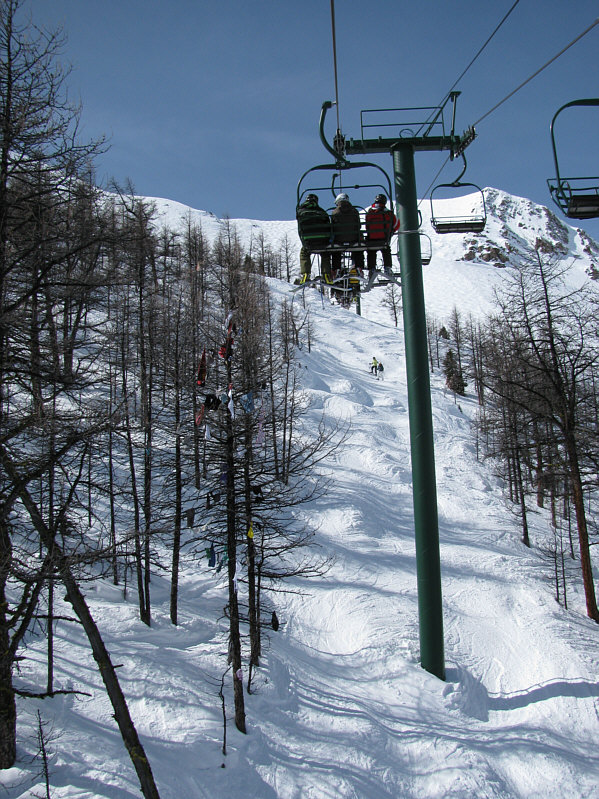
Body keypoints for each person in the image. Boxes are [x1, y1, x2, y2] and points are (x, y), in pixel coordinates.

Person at [296, 193, 332, 283]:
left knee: (304, 252)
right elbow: (328, 225)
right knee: (325, 253)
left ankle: (305, 273)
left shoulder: (301, 211)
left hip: (308, 241)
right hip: (322, 241)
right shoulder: (322, 212)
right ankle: (326, 274)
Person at [365, 193, 399, 278]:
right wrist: (391, 231)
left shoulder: (370, 212)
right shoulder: (388, 213)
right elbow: (397, 224)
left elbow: (367, 226)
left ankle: (371, 269)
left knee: (371, 251)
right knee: (386, 250)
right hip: (383, 239)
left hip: (371, 240)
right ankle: (387, 267)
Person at [330, 193, 364, 276]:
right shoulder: (354, 211)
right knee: (358, 248)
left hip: (339, 240)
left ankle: (336, 268)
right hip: (353, 239)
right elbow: (358, 225)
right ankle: (358, 266)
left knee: (335, 250)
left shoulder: (334, 212)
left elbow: (332, 227)